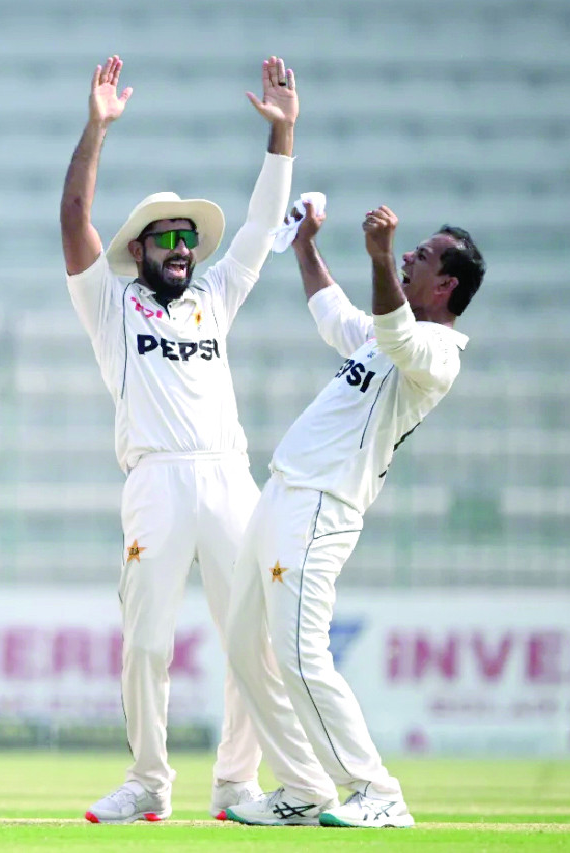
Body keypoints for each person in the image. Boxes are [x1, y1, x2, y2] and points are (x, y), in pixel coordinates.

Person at [60, 55, 299, 823]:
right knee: (147, 641)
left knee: (248, 641)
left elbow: (261, 231)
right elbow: (72, 220)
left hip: (229, 475)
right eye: (165, 238)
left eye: (187, 238)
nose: (181, 248)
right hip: (156, 478)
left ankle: (236, 786)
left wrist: (283, 139)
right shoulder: (111, 304)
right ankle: (148, 781)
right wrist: (94, 131)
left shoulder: (215, 299)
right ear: (139, 250)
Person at [223, 204, 484, 828]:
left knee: (300, 654)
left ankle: (376, 791)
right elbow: (334, 312)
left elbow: (397, 333)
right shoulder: (381, 334)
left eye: (423, 254)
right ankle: (303, 789)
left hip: (322, 505)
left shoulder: (438, 352)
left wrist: (375, 257)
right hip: (282, 493)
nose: (410, 255)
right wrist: (306, 247)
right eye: (407, 250)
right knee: (243, 647)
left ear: (446, 285)